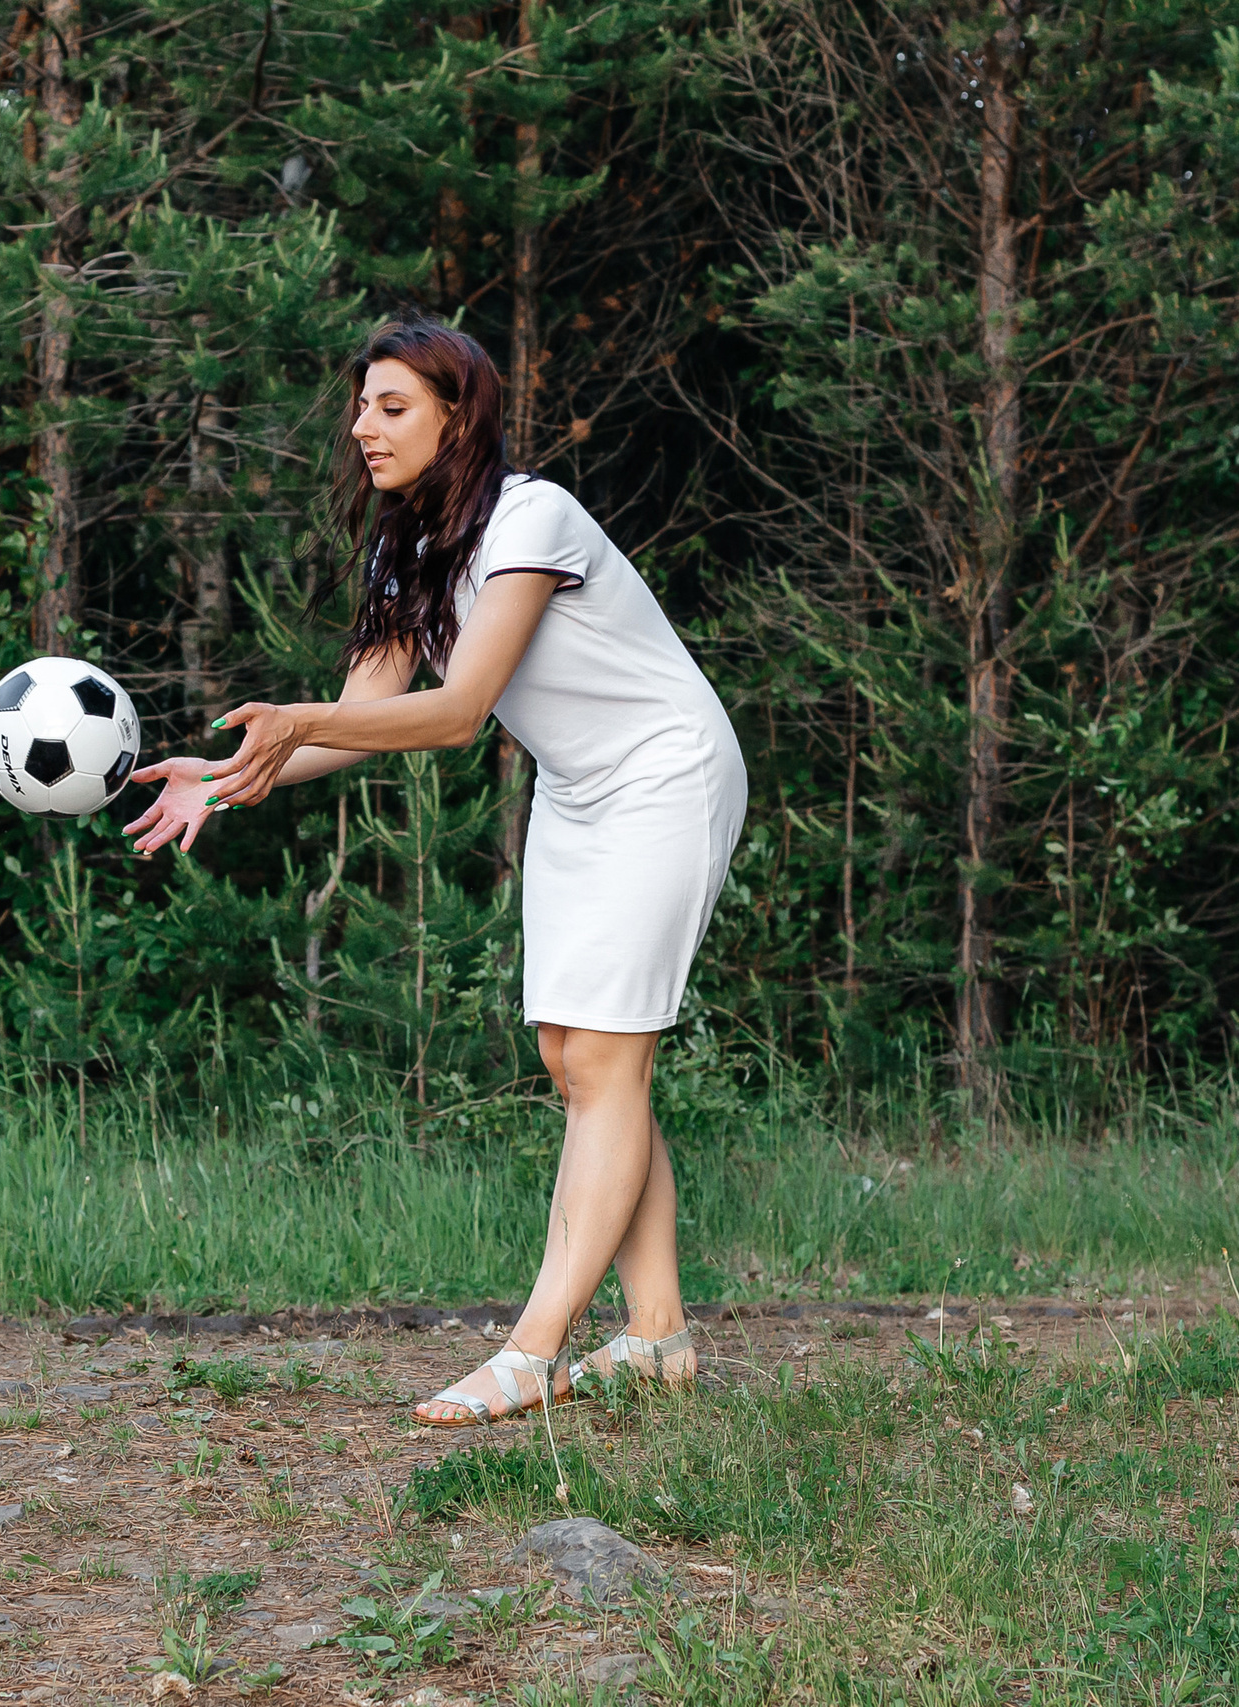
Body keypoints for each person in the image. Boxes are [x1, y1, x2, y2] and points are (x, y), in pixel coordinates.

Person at [124, 321, 746, 1425]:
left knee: (603, 1057)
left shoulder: (532, 516)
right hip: (577, 789)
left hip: (665, 772)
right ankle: (656, 1338)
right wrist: (225, 779)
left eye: (392, 407)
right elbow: (361, 720)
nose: (363, 426)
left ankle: (531, 1352)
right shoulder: (408, 549)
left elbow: (457, 715)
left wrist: (294, 719)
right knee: (575, 1058)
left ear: (458, 416)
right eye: (361, 406)